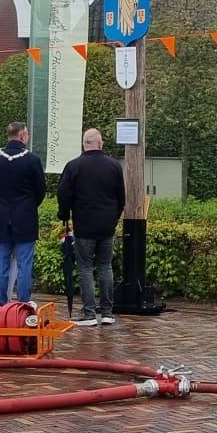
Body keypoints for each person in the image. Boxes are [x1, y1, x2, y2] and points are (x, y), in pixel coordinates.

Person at [58, 128, 126, 327]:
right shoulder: (114, 166)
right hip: (107, 225)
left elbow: (63, 194)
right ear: (100, 143)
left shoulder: (74, 166)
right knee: (105, 267)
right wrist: (114, 217)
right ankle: (107, 312)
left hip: (84, 224)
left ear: (83, 144)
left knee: (85, 268)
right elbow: (121, 198)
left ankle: (89, 313)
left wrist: (64, 214)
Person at [0, 121, 46, 307]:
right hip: (25, 217)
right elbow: (40, 190)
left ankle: (0, 305)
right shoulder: (32, 160)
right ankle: (23, 303)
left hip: (1, 217)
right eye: (26, 134)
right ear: (22, 136)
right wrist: (29, 205)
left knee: (1, 263)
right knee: (24, 263)